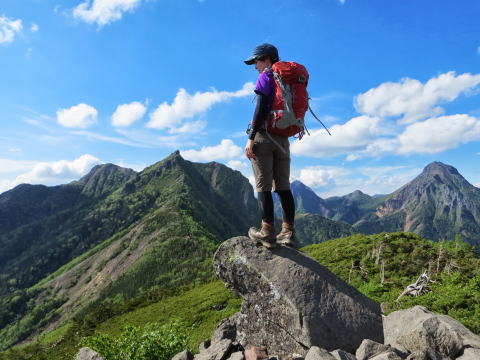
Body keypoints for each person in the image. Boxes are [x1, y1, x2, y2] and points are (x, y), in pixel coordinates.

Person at [244, 43, 296, 248]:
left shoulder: (266, 76)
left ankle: (266, 231)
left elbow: (260, 107)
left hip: (264, 137)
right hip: (283, 139)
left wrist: (251, 137)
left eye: (256, 61)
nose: (255, 65)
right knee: (283, 186)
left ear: (266, 59)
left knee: (263, 186)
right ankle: (288, 232)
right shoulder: (287, 80)